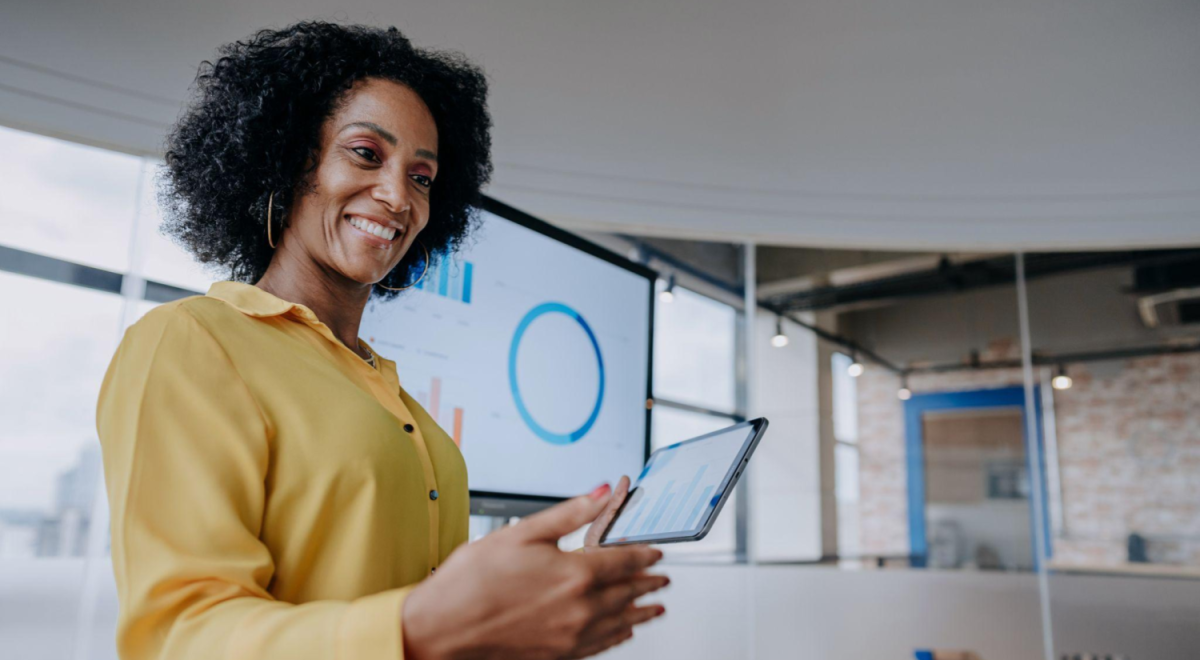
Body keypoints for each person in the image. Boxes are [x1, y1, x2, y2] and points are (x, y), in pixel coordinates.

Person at [96, 21, 667, 660]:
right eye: (366, 153)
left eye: (422, 177)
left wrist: (555, 584)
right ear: (289, 158)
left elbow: (420, 602)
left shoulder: (395, 399)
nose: (398, 197)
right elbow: (178, 637)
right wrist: (420, 626)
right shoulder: (192, 342)